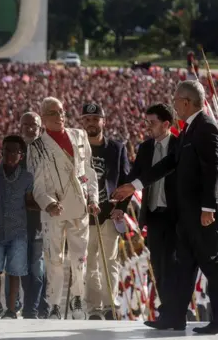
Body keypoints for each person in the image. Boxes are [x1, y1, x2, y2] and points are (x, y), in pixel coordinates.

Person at [113, 80, 218, 334]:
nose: (174, 104)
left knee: (213, 264)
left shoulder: (207, 128)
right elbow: (169, 163)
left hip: (203, 214)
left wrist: (208, 209)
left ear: (187, 102)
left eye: (176, 99)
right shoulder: (189, 130)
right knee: (183, 267)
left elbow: (214, 170)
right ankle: (173, 317)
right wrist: (134, 185)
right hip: (188, 216)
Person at [26, 97, 100, 320]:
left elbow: (89, 171)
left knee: (79, 258)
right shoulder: (36, 147)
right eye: (53, 113)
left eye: (61, 112)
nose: (59, 116)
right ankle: (54, 303)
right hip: (53, 210)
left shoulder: (79, 136)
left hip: (79, 207)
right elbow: (37, 185)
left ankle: (78, 298)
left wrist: (93, 198)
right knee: (53, 259)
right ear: (44, 118)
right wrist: (48, 202)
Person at [126, 103, 178, 317]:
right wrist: (120, 200)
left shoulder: (180, 146)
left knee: (173, 264)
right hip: (154, 215)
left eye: (152, 123)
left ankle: (177, 310)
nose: (148, 127)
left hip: (176, 217)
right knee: (158, 264)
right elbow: (135, 178)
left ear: (166, 124)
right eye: (146, 122)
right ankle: (166, 310)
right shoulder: (145, 148)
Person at [80, 103, 130, 320]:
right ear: (83, 122)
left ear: (103, 121)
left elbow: (126, 181)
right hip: (85, 215)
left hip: (110, 213)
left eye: (95, 119)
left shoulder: (116, 149)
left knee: (109, 261)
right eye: (87, 119)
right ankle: (94, 309)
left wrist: (121, 209)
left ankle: (111, 305)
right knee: (89, 263)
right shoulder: (78, 149)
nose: (91, 123)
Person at [0, 135, 37, 319]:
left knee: (14, 271)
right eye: (6, 150)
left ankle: (12, 308)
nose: (10, 154)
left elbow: (30, 201)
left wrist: (45, 204)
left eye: (15, 151)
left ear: (21, 155)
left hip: (18, 231)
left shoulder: (27, 177)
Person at [16, 111, 49, 319]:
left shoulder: (47, 151)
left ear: (40, 128)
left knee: (37, 264)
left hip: (41, 216)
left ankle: (34, 307)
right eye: (26, 124)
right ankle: (34, 305)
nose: (29, 128)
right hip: (19, 217)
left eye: (34, 126)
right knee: (24, 265)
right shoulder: (13, 150)